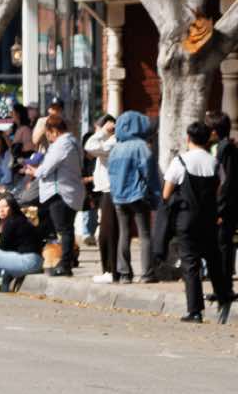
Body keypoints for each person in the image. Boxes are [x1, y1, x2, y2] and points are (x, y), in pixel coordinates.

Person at [162, 120, 232, 324]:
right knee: (213, 259)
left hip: (186, 219)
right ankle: (223, 295)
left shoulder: (180, 161)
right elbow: (220, 187)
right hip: (209, 218)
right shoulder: (215, 163)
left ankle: (195, 311)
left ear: (188, 138)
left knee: (190, 263)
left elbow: (166, 193)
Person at [105, 110, 156, 282]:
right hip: (138, 195)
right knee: (144, 235)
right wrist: (155, 195)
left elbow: (110, 174)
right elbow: (149, 173)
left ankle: (124, 274)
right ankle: (147, 273)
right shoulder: (141, 146)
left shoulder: (115, 148)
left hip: (118, 197)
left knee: (124, 234)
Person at [32, 114, 84, 276]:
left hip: (60, 192)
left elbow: (47, 168)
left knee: (64, 230)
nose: (48, 138)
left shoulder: (62, 144)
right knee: (66, 229)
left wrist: (34, 171)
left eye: (48, 134)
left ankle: (65, 265)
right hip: (70, 190)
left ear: (54, 131)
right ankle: (65, 262)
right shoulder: (74, 142)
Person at [85, 114, 118, 275]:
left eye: (98, 128)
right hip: (105, 190)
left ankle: (111, 270)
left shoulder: (113, 141)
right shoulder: (108, 141)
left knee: (108, 232)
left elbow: (89, 146)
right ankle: (109, 270)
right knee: (105, 232)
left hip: (110, 190)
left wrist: (103, 132)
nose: (96, 132)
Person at [211, 111, 238, 306]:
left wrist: (219, 209)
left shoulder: (225, 149)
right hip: (226, 206)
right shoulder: (223, 147)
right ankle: (222, 288)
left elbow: (226, 183)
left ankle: (224, 289)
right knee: (222, 248)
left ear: (214, 130)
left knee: (223, 248)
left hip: (225, 208)